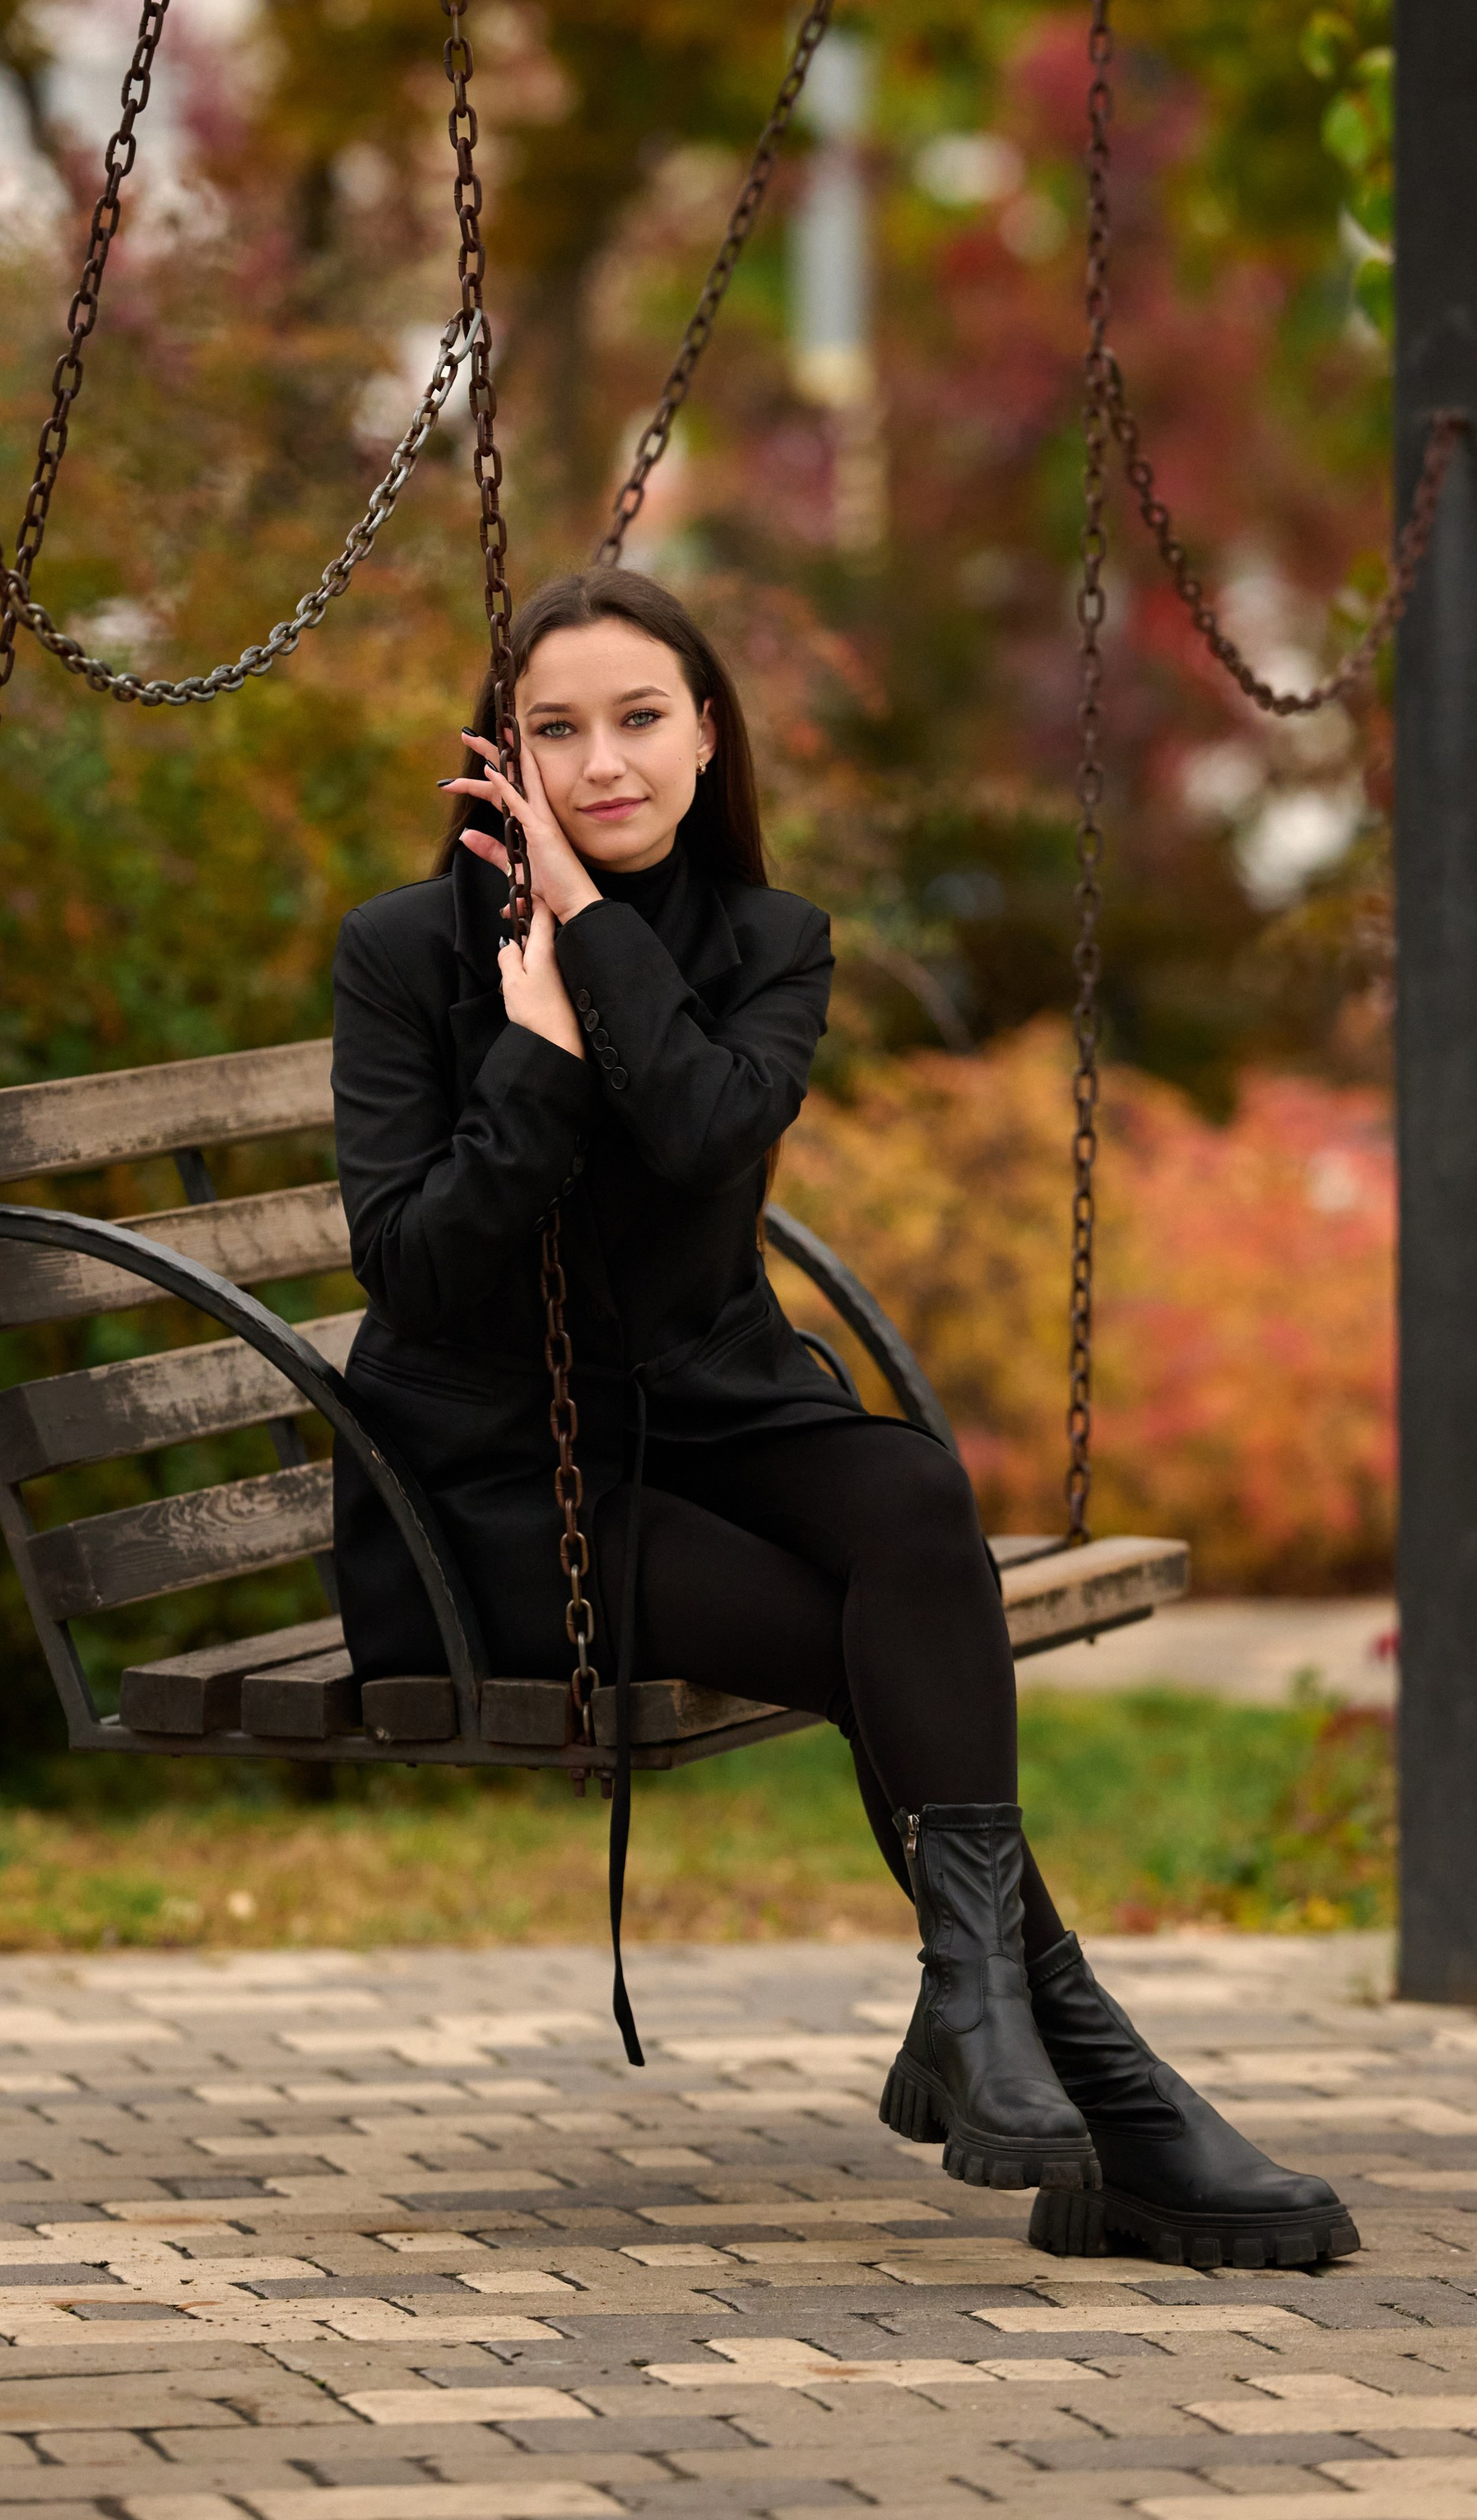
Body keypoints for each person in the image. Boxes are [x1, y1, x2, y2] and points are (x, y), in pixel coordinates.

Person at [330, 566, 1357, 2270]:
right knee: (864, 1634)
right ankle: (1096, 2083)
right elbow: (417, 1271)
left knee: (908, 1505)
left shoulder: (769, 939)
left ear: (705, 731)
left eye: (638, 719)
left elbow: (697, 1130)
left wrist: (584, 928)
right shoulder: (402, 955)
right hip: (502, 1491)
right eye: (555, 729)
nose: (602, 761)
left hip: (713, 1413)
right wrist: (525, 1052)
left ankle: (984, 2015)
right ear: (496, 757)